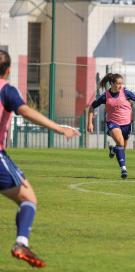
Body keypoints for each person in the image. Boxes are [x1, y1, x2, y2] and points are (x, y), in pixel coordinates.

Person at [0, 50, 79, 268]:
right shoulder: (6, 90)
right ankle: (21, 243)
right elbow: (24, 111)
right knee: (28, 199)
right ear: (9, 70)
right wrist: (58, 128)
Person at [87, 73, 135, 179]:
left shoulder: (126, 92)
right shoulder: (105, 95)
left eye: (121, 83)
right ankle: (123, 169)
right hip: (113, 123)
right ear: (112, 84)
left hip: (127, 124)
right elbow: (92, 107)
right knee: (120, 142)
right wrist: (90, 123)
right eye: (118, 83)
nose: (120, 86)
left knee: (122, 148)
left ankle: (114, 150)